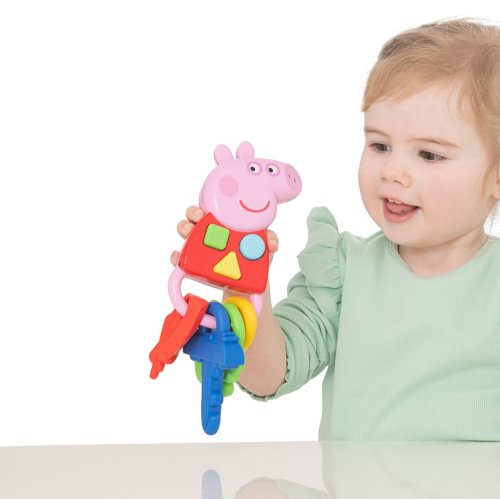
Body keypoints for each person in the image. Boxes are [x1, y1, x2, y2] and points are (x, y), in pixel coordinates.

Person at [172, 18, 500, 440]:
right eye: (380, 145)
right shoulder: (342, 272)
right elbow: (267, 376)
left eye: (429, 155)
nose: (392, 171)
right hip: (356, 477)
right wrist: (242, 279)